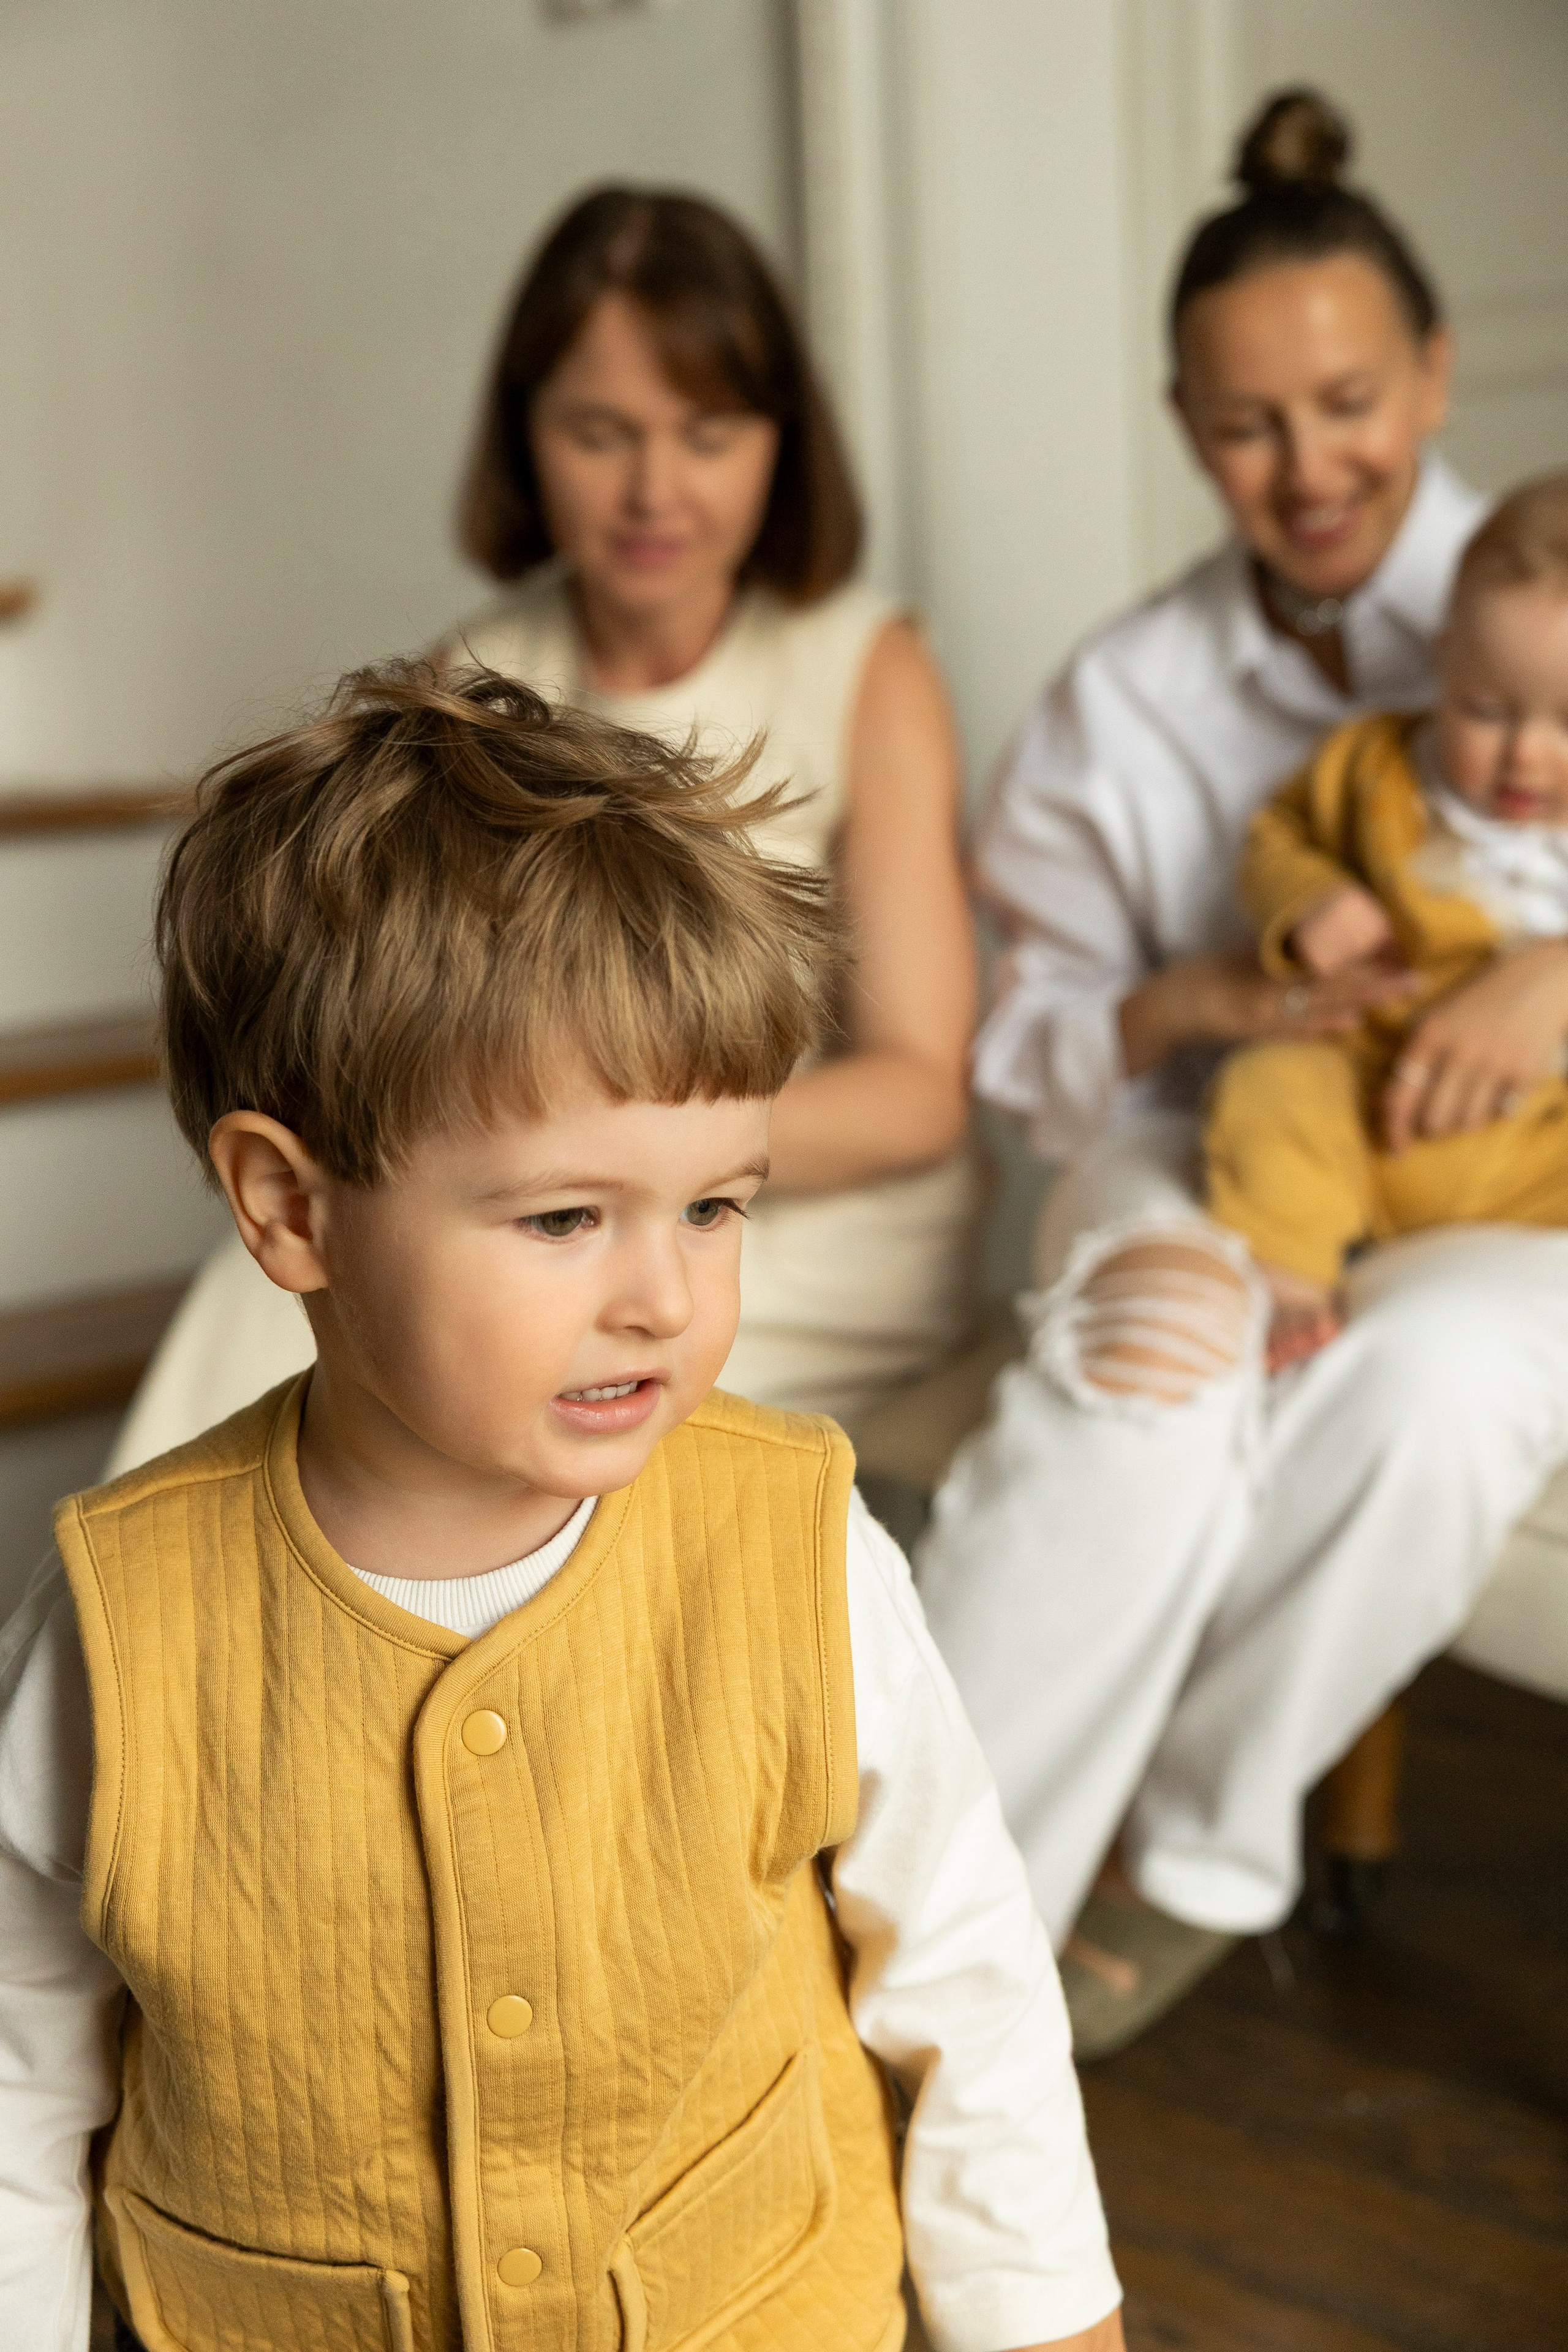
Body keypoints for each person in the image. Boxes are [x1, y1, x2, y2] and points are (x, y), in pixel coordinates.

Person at [0, 666, 1121, 2352]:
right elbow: (21, 2074)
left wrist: (1045, 2327)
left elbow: (964, 1975)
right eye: (563, 1220)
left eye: (717, 1207)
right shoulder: (119, 1623)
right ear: (292, 1208)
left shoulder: (796, 1548)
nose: (665, 1300)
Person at [918, 86, 1568, 2058]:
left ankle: (1189, 1847)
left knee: (1444, 1384)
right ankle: (909, 1918)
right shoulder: (1124, 703)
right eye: (1247, 422)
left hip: (1502, 1173)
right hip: (1199, 1134)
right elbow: (1026, 1049)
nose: (1309, 467)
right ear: (1186, 424)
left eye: (1353, 400)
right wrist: (1193, 998)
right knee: (1156, 1385)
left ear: (1438, 371)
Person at [107, 186, 978, 1474]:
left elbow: (918, 1096)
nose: (653, 489)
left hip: (802, 1227)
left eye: (710, 431)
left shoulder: (865, 666)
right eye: (598, 433)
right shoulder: (470, 673)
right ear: (526, 439)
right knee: (264, 1304)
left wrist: (633, 1167)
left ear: (781, 444)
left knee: (473, 1358)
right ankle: (149, 1657)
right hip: (538, 1205)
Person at [1208, 474, 1568, 1360]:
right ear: (1444, 658)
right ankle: (1291, 1275)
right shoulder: (1374, 768)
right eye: (1486, 710)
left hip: (1541, 1145)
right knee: (1270, 1086)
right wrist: (1309, 903)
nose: (1527, 751)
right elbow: (1276, 836)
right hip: (1368, 1090)